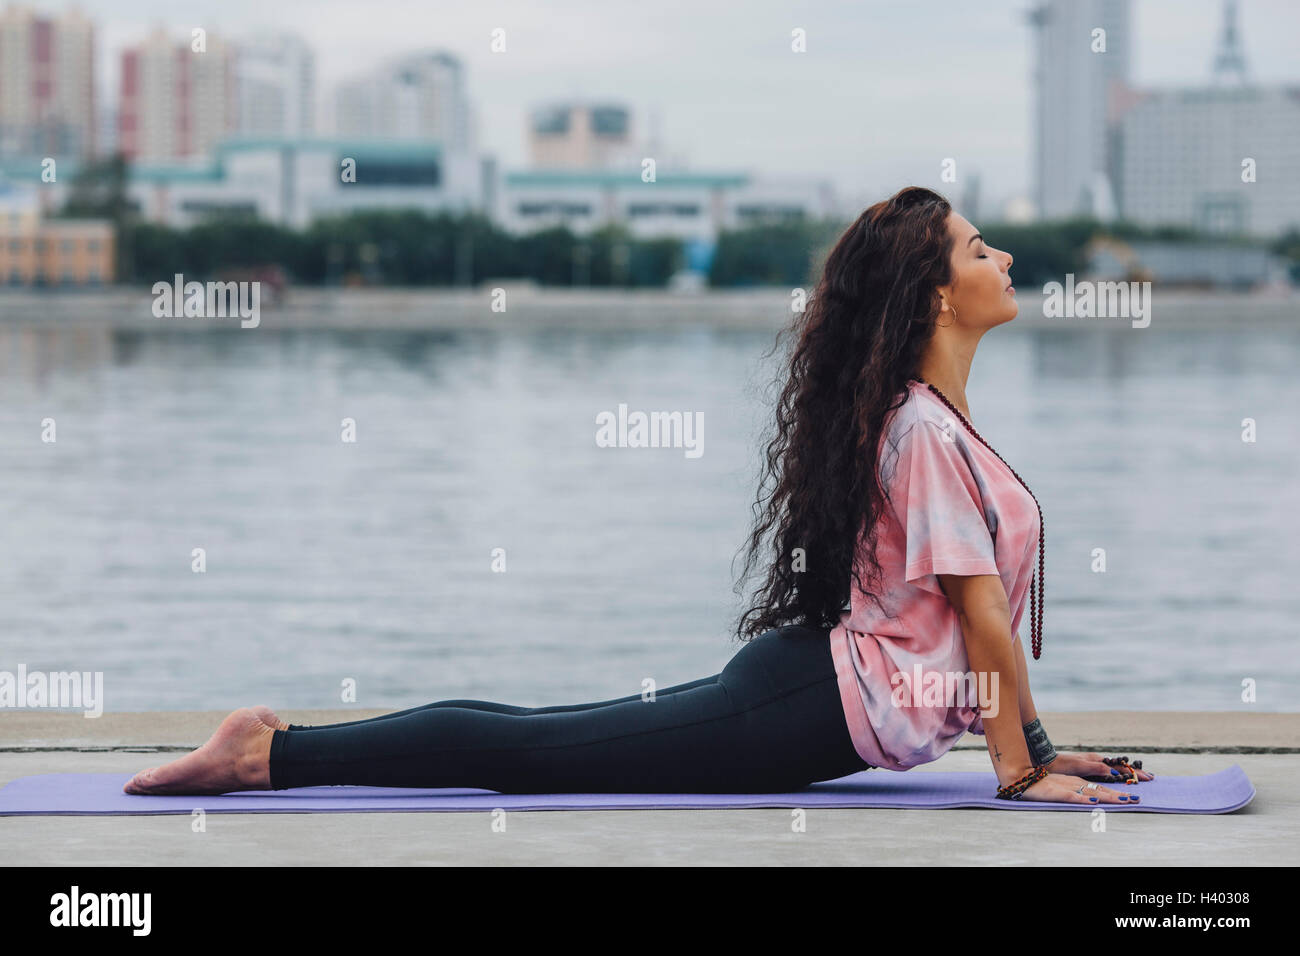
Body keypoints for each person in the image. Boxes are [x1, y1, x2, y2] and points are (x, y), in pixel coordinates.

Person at [124, 186, 1152, 803]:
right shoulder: (924, 426)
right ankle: (266, 754)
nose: (1005, 257)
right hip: (807, 702)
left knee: (547, 733)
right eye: (979, 250)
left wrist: (1048, 751)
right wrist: (1019, 772)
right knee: (539, 751)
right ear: (934, 292)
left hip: (813, 692)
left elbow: (965, 624)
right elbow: (975, 616)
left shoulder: (931, 415)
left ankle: (275, 743)